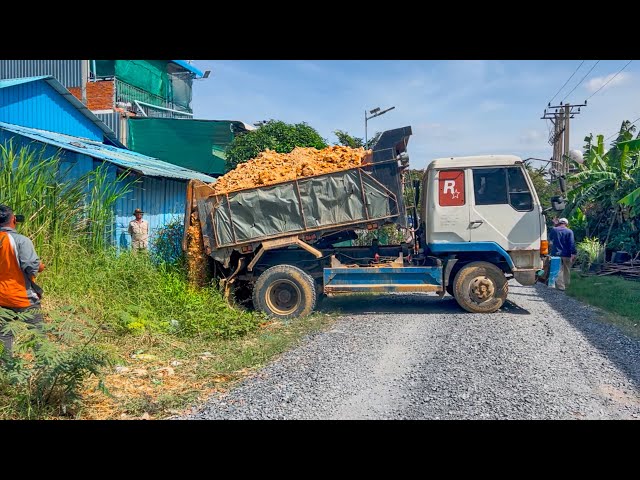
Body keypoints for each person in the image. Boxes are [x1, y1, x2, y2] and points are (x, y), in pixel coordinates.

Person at [0, 205, 46, 358]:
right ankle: (45, 369)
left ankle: (6, 372)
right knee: (38, 334)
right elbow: (31, 267)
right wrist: (40, 266)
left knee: (5, 336)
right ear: (13, 219)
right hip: (23, 297)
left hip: (1, 298)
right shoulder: (21, 240)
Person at [548, 217, 576, 291]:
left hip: (556, 253)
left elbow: (550, 240)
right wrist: (573, 253)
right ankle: (567, 285)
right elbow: (572, 243)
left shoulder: (554, 230)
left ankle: (561, 286)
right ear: (566, 224)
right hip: (567, 254)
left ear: (559, 223)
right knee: (567, 269)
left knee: (558, 270)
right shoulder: (569, 231)